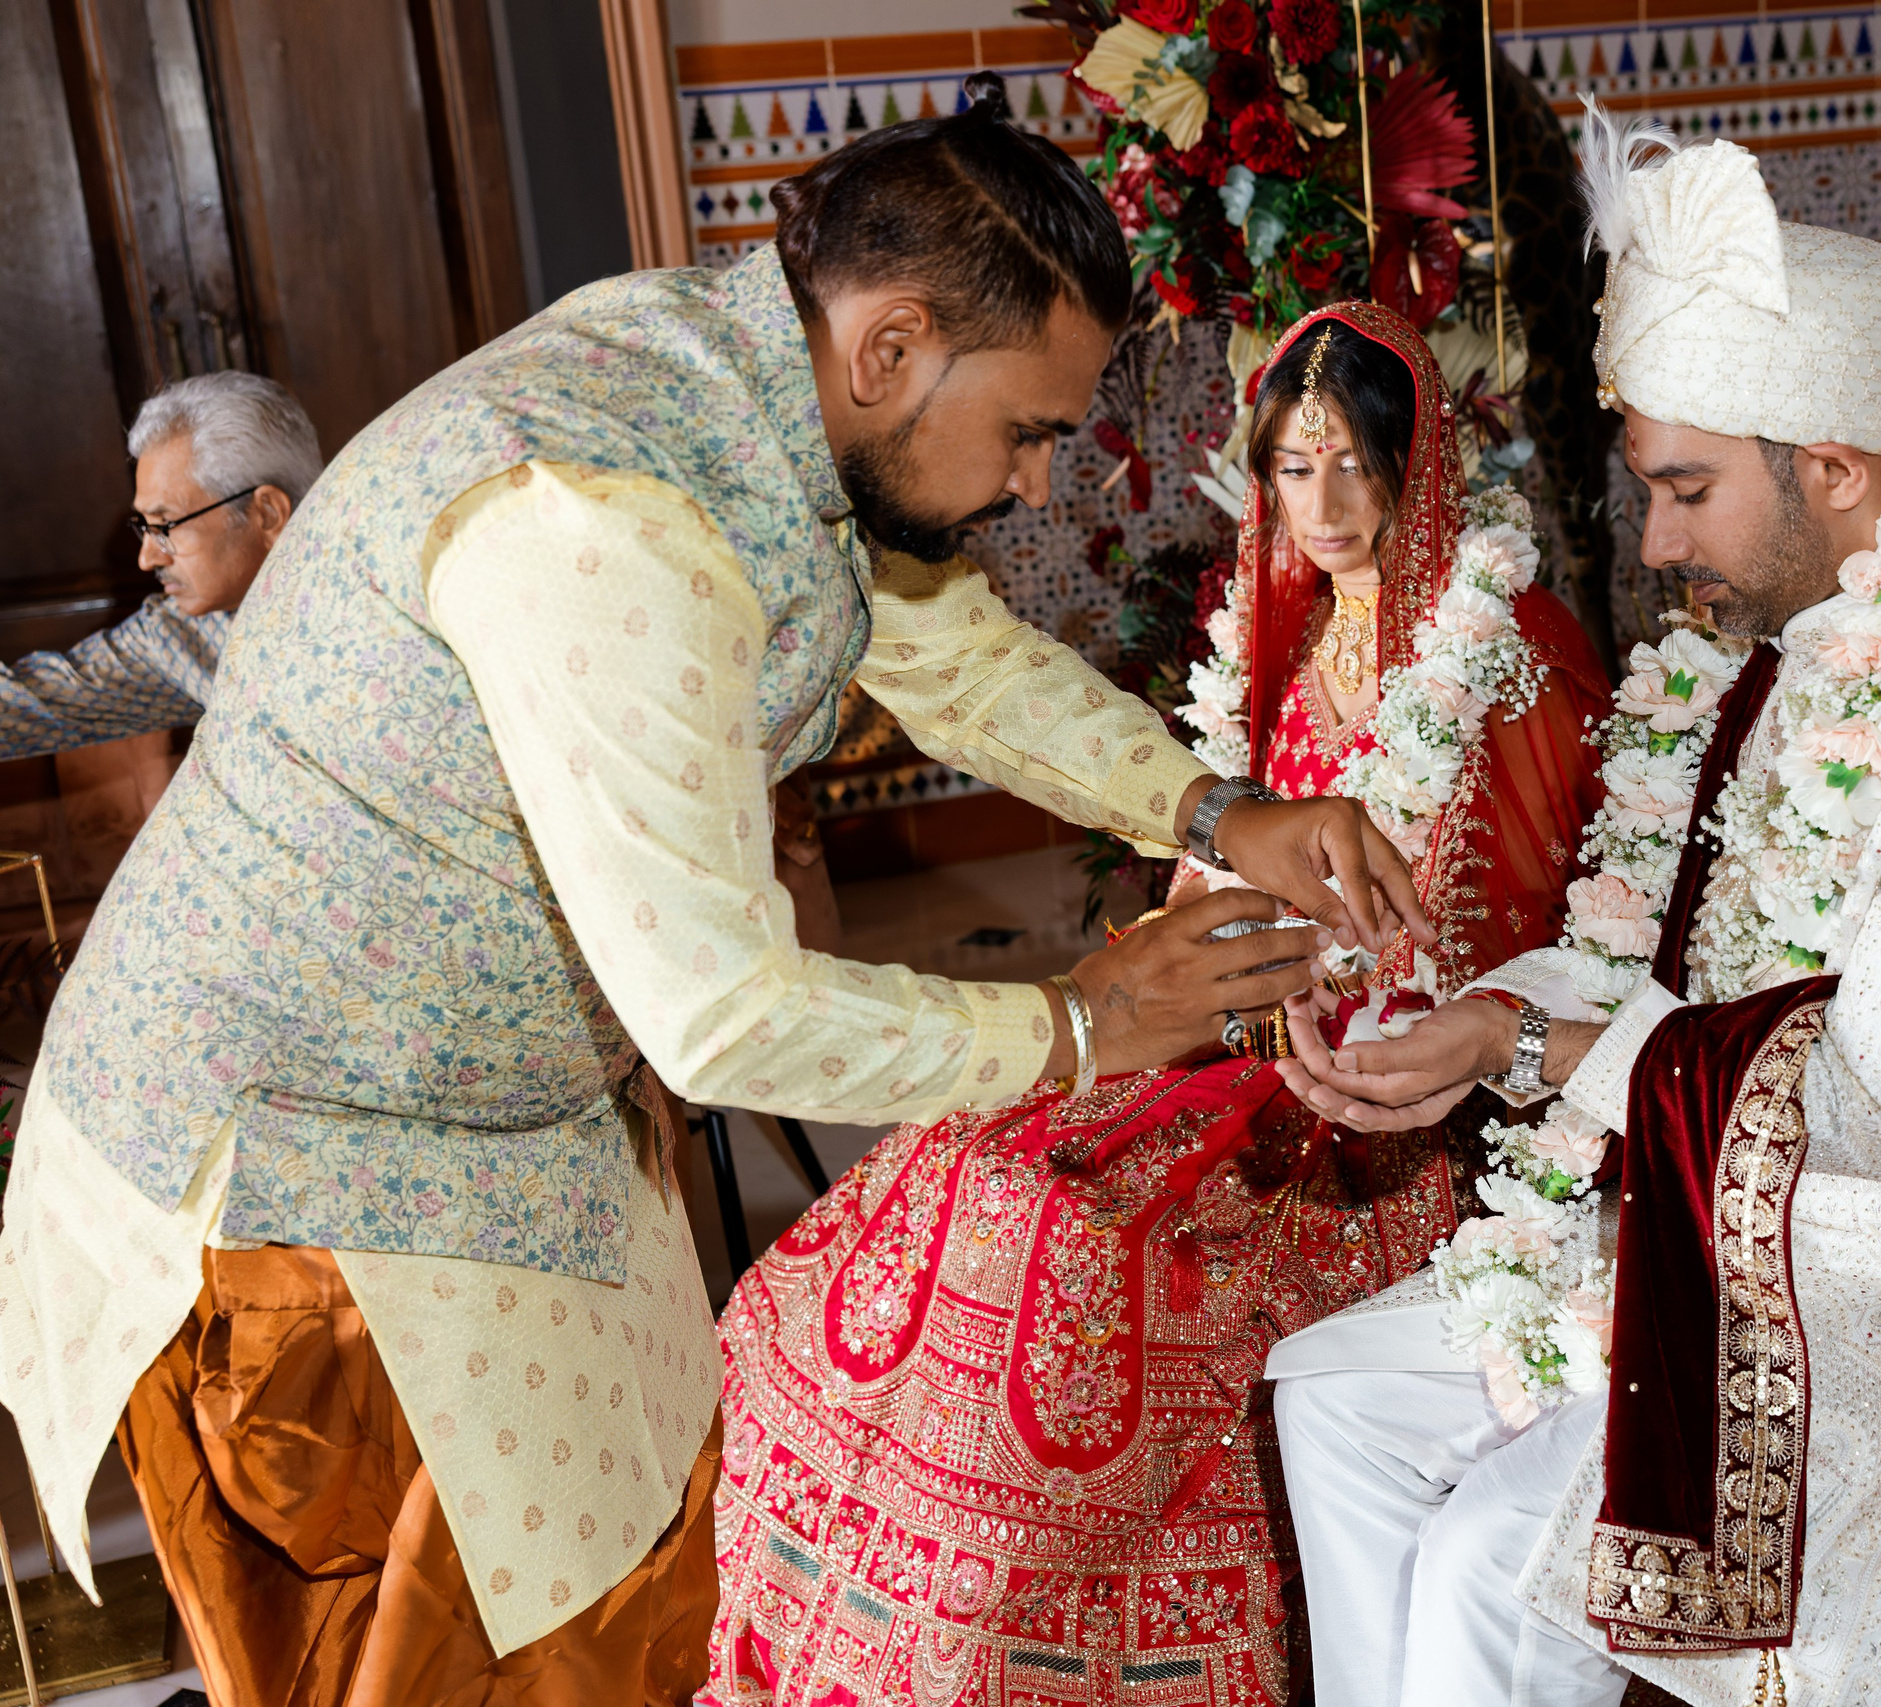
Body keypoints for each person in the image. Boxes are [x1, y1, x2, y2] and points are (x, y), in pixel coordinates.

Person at [0, 86, 1427, 1706]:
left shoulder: (763, 389)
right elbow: (723, 1009)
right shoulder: (602, 517)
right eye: (1031, 429)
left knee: (644, 1597)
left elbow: (952, 663)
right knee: (472, 1666)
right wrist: (1088, 1018)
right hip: (303, 1181)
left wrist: (1219, 808)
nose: (1038, 486)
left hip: (493, 1139)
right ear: (891, 347)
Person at [1263, 113, 1881, 1707]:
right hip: (1723, 1185)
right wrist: (1477, 1029)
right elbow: (1695, 971)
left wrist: (1534, 1034)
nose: (1657, 542)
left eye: (1689, 488)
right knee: (1334, 1404)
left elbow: (1861, 1100)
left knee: (1500, 1555)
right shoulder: (1808, 639)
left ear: (1836, 468)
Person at [706, 304, 1616, 1707]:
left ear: (1418, 460)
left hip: (1393, 1099)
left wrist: (1333, 998)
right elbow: (1210, 867)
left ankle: (1020, 1627)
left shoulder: (1511, 648)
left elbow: (1547, 927)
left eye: (1358, 463)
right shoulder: (1275, 629)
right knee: (954, 1166)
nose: (1328, 504)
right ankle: (868, 1625)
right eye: (1296, 467)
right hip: (1232, 1037)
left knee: (1059, 1234)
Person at [0, 372, 316, 758]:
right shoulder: (181, 636)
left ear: (267, 513)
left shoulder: (386, 587)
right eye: (144, 527)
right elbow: (31, 702)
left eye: (166, 525)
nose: (147, 558)